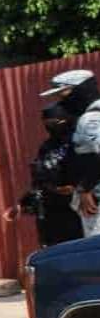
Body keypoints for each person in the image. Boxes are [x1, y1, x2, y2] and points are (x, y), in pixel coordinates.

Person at [7, 103, 84, 247]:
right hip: (52, 214)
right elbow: (39, 179)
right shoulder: (46, 147)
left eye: (54, 123)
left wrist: (76, 187)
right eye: (47, 124)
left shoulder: (79, 142)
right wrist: (23, 203)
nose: (50, 127)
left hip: (79, 209)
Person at [41, 69, 100, 236]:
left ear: (81, 90)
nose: (60, 101)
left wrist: (85, 188)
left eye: (63, 94)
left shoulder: (90, 119)